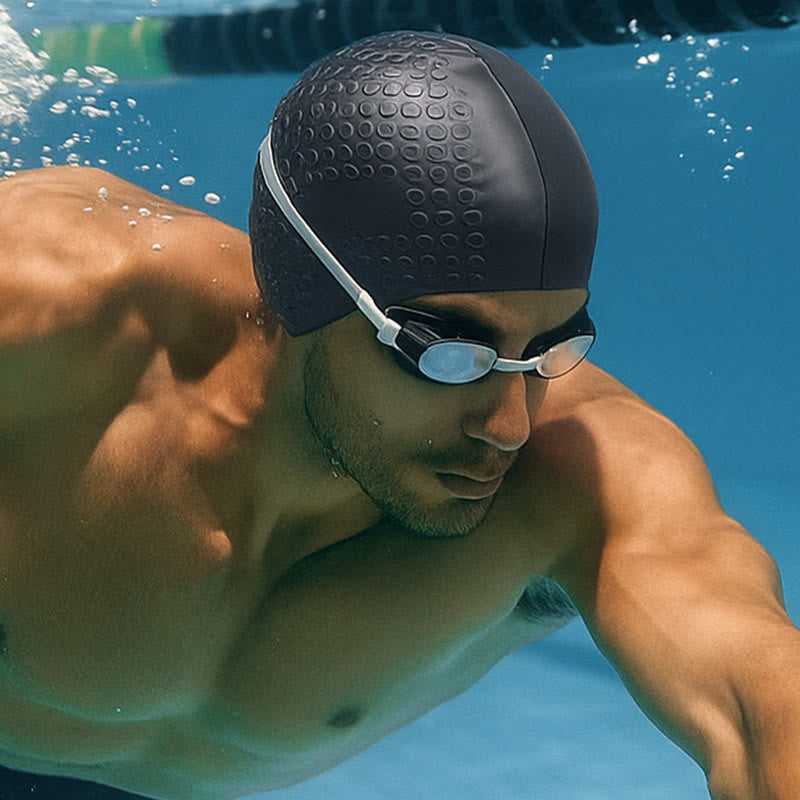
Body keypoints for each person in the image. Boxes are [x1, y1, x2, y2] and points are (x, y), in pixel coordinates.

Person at [0, 29, 798, 800]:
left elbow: (754, 700)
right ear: (301, 291)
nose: (509, 426)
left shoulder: (580, 479)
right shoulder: (55, 312)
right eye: (448, 353)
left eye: (548, 351)